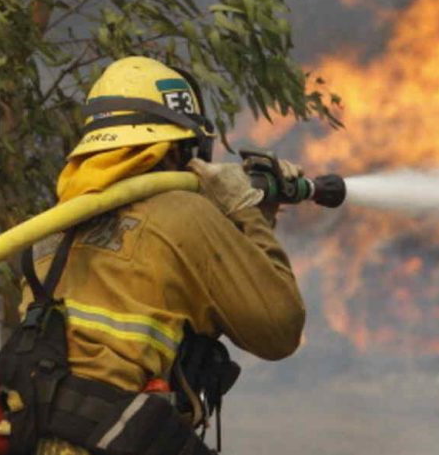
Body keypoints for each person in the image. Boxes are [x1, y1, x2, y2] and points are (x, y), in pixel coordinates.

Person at [20, 56, 306, 455]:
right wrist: (246, 210)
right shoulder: (183, 215)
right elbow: (279, 328)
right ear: (180, 145)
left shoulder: (50, 229)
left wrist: (257, 220)